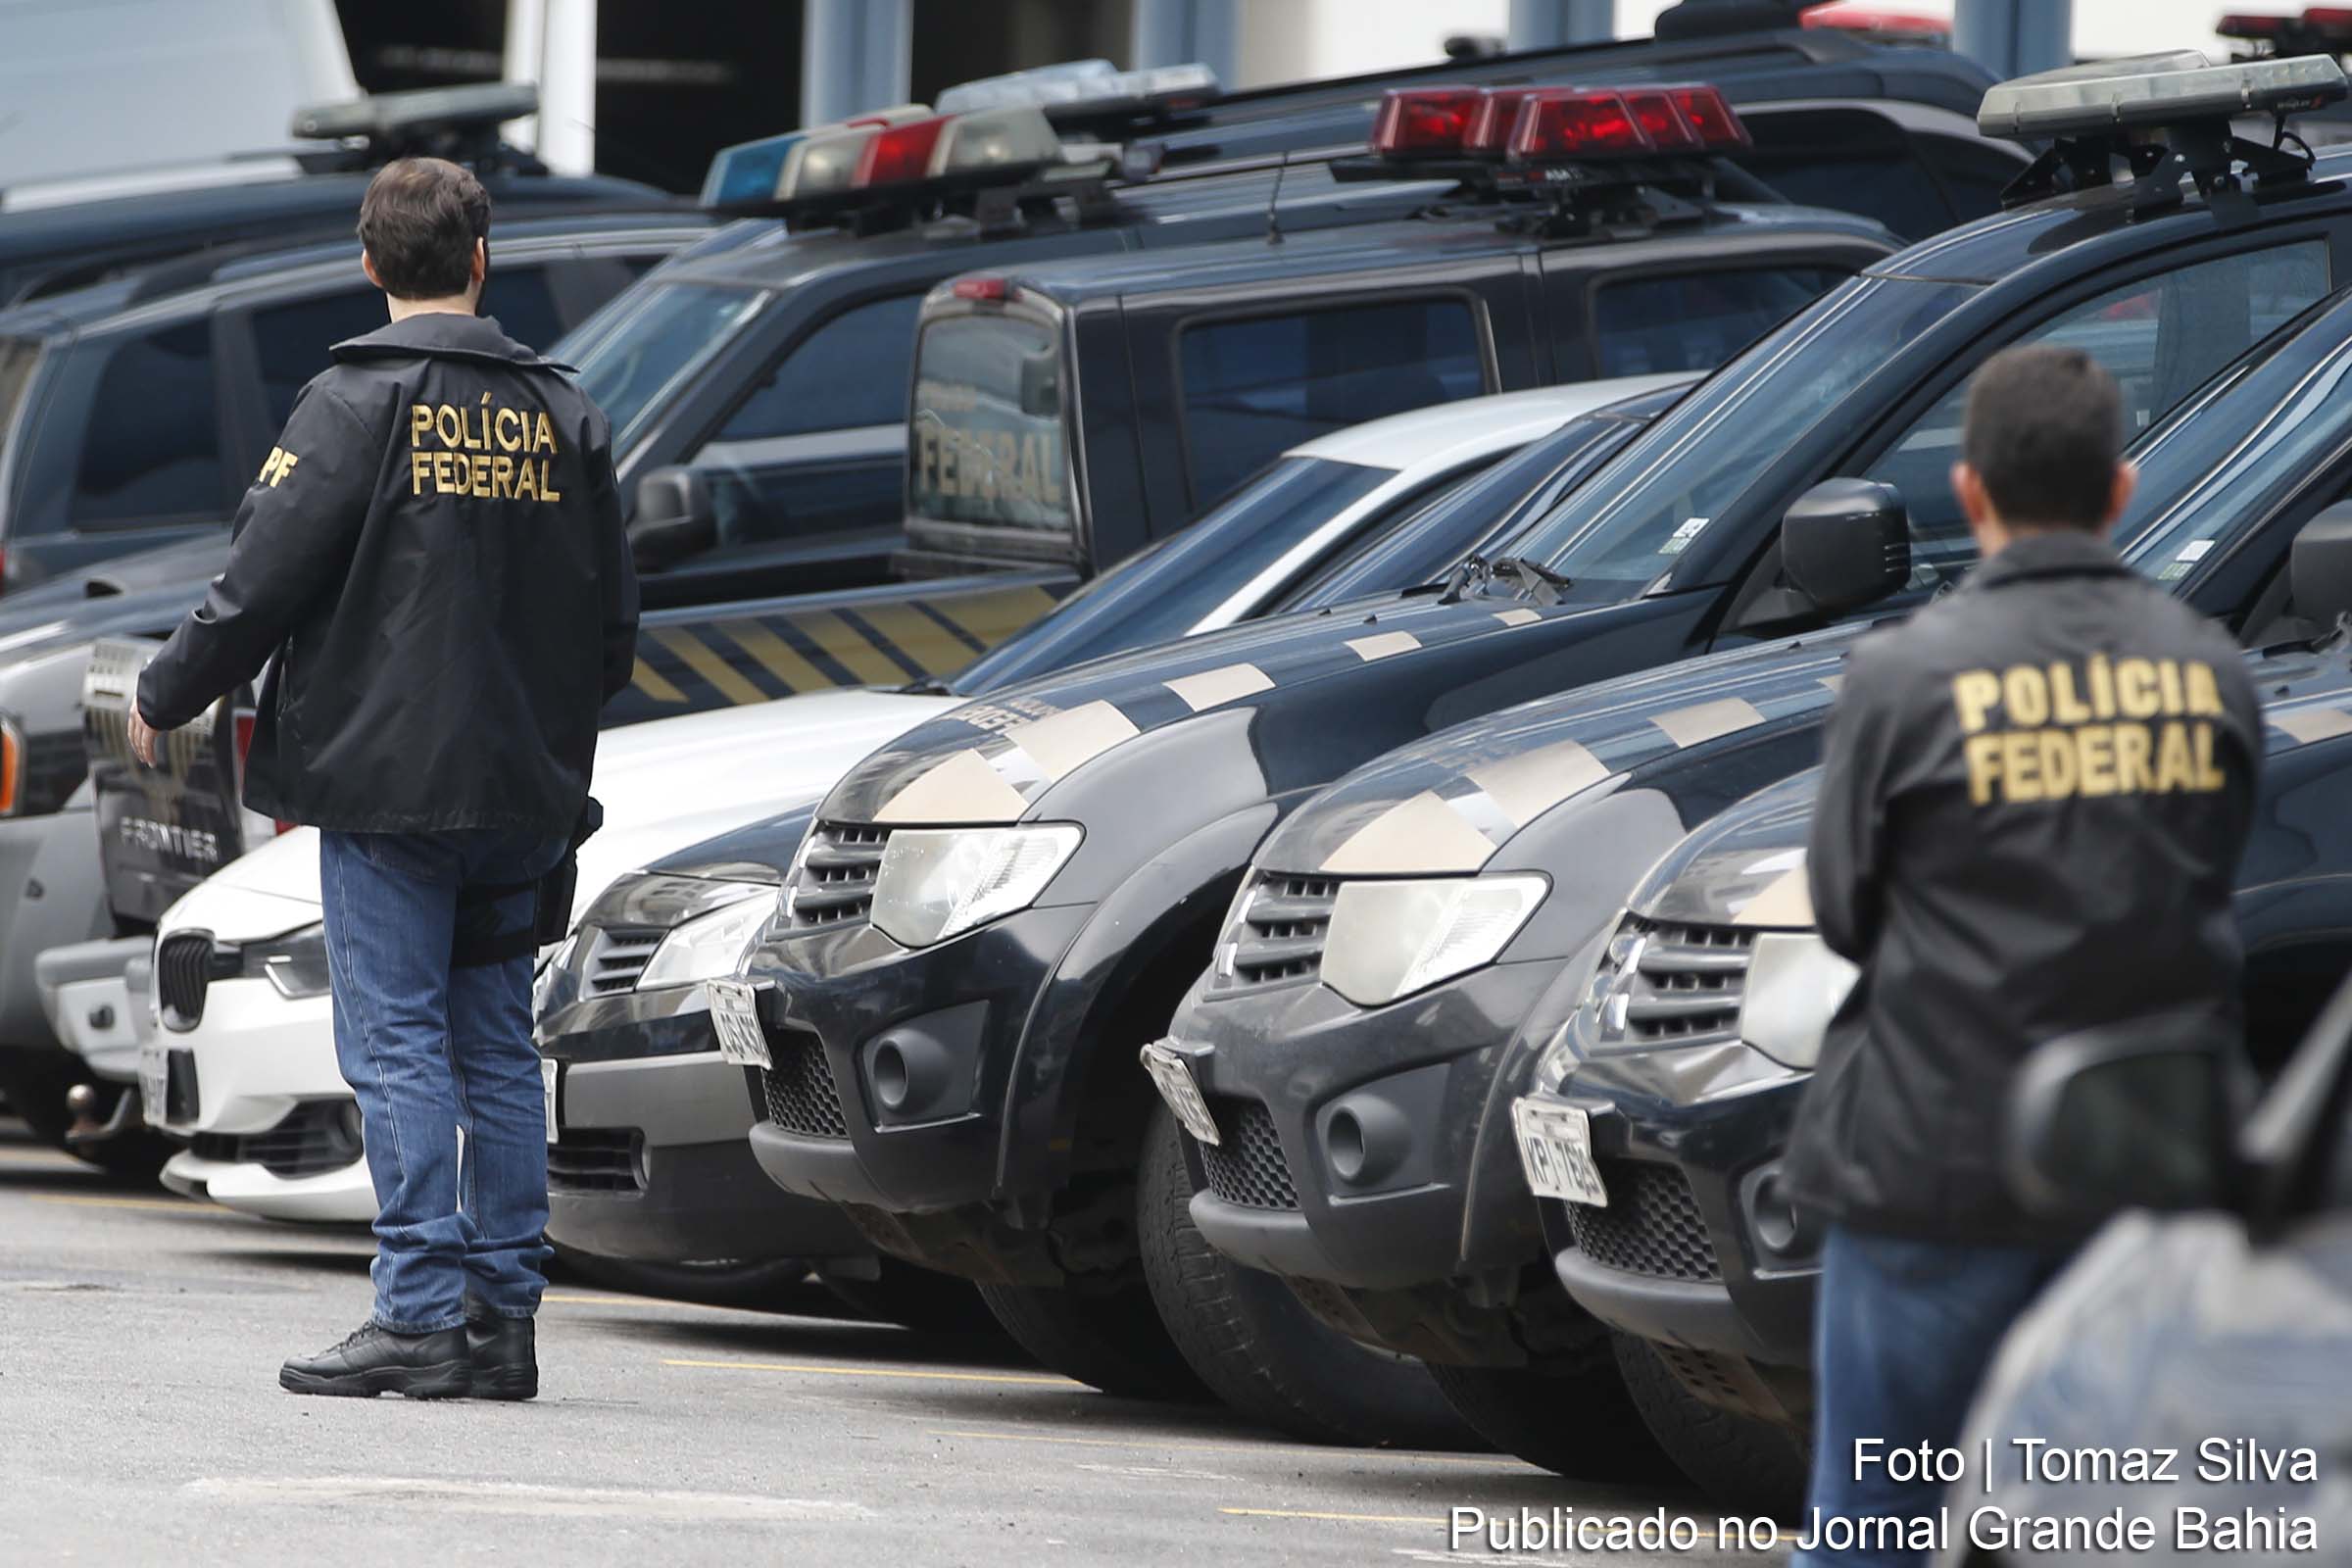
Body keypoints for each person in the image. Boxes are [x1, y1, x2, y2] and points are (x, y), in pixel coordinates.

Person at [130, 156, 639, 1400]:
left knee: (396, 1038)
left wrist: (163, 695)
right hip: (523, 791)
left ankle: (415, 1313)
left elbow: (258, 581)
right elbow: (614, 628)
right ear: (483, 260)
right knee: (495, 1044)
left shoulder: (353, 402)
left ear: (370, 263)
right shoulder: (566, 411)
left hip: (387, 784)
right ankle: (502, 1320)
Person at [1779, 345, 2262, 1565]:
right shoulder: (2210, 671)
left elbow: (1844, 911)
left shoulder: (1903, 675)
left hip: (1932, 1172)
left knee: (1875, 1529)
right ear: (2123, 488)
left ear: (1969, 490)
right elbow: (2206, 887)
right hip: (2139, 1177)